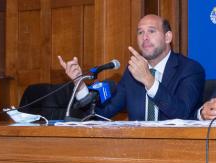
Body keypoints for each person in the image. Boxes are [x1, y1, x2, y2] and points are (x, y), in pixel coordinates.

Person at [59, 14, 205, 120]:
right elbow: (102, 114)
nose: (145, 37)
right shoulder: (132, 73)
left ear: (167, 37)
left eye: (151, 31)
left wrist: (149, 80)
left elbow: (183, 113)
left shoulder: (190, 69)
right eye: (140, 32)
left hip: (177, 152)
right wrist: (79, 85)